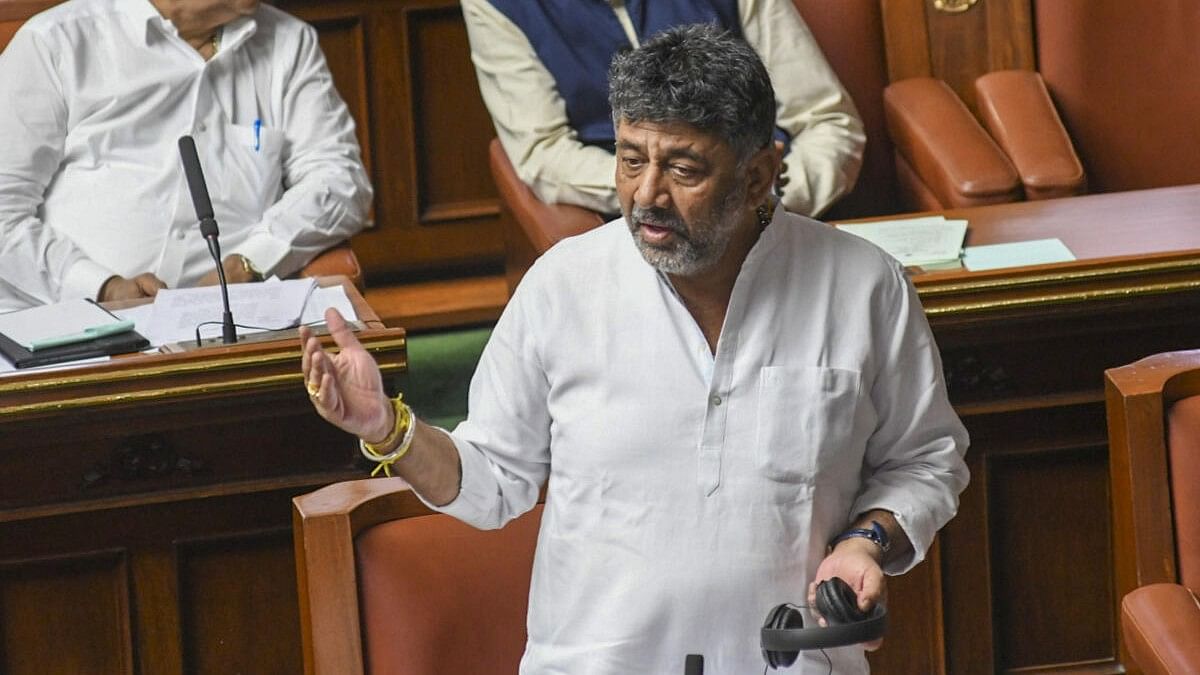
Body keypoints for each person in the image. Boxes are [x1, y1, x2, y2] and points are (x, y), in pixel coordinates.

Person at [302, 25, 967, 673]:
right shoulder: (564, 285)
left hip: (792, 660)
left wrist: (867, 539)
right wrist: (389, 428)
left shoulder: (863, 285)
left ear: (759, 174)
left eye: (683, 168)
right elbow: (490, 482)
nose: (647, 194)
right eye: (629, 158)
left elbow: (927, 458)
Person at [0, 0, 372, 312]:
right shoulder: (55, 43)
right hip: (66, 324)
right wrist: (104, 287)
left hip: (233, 323)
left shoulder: (289, 43)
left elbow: (340, 181)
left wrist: (249, 264)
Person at [462, 0, 866, 218]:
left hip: (774, 197)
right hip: (635, 223)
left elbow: (827, 119)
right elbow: (544, 151)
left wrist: (774, 203)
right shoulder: (497, 4)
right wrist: (674, 195)